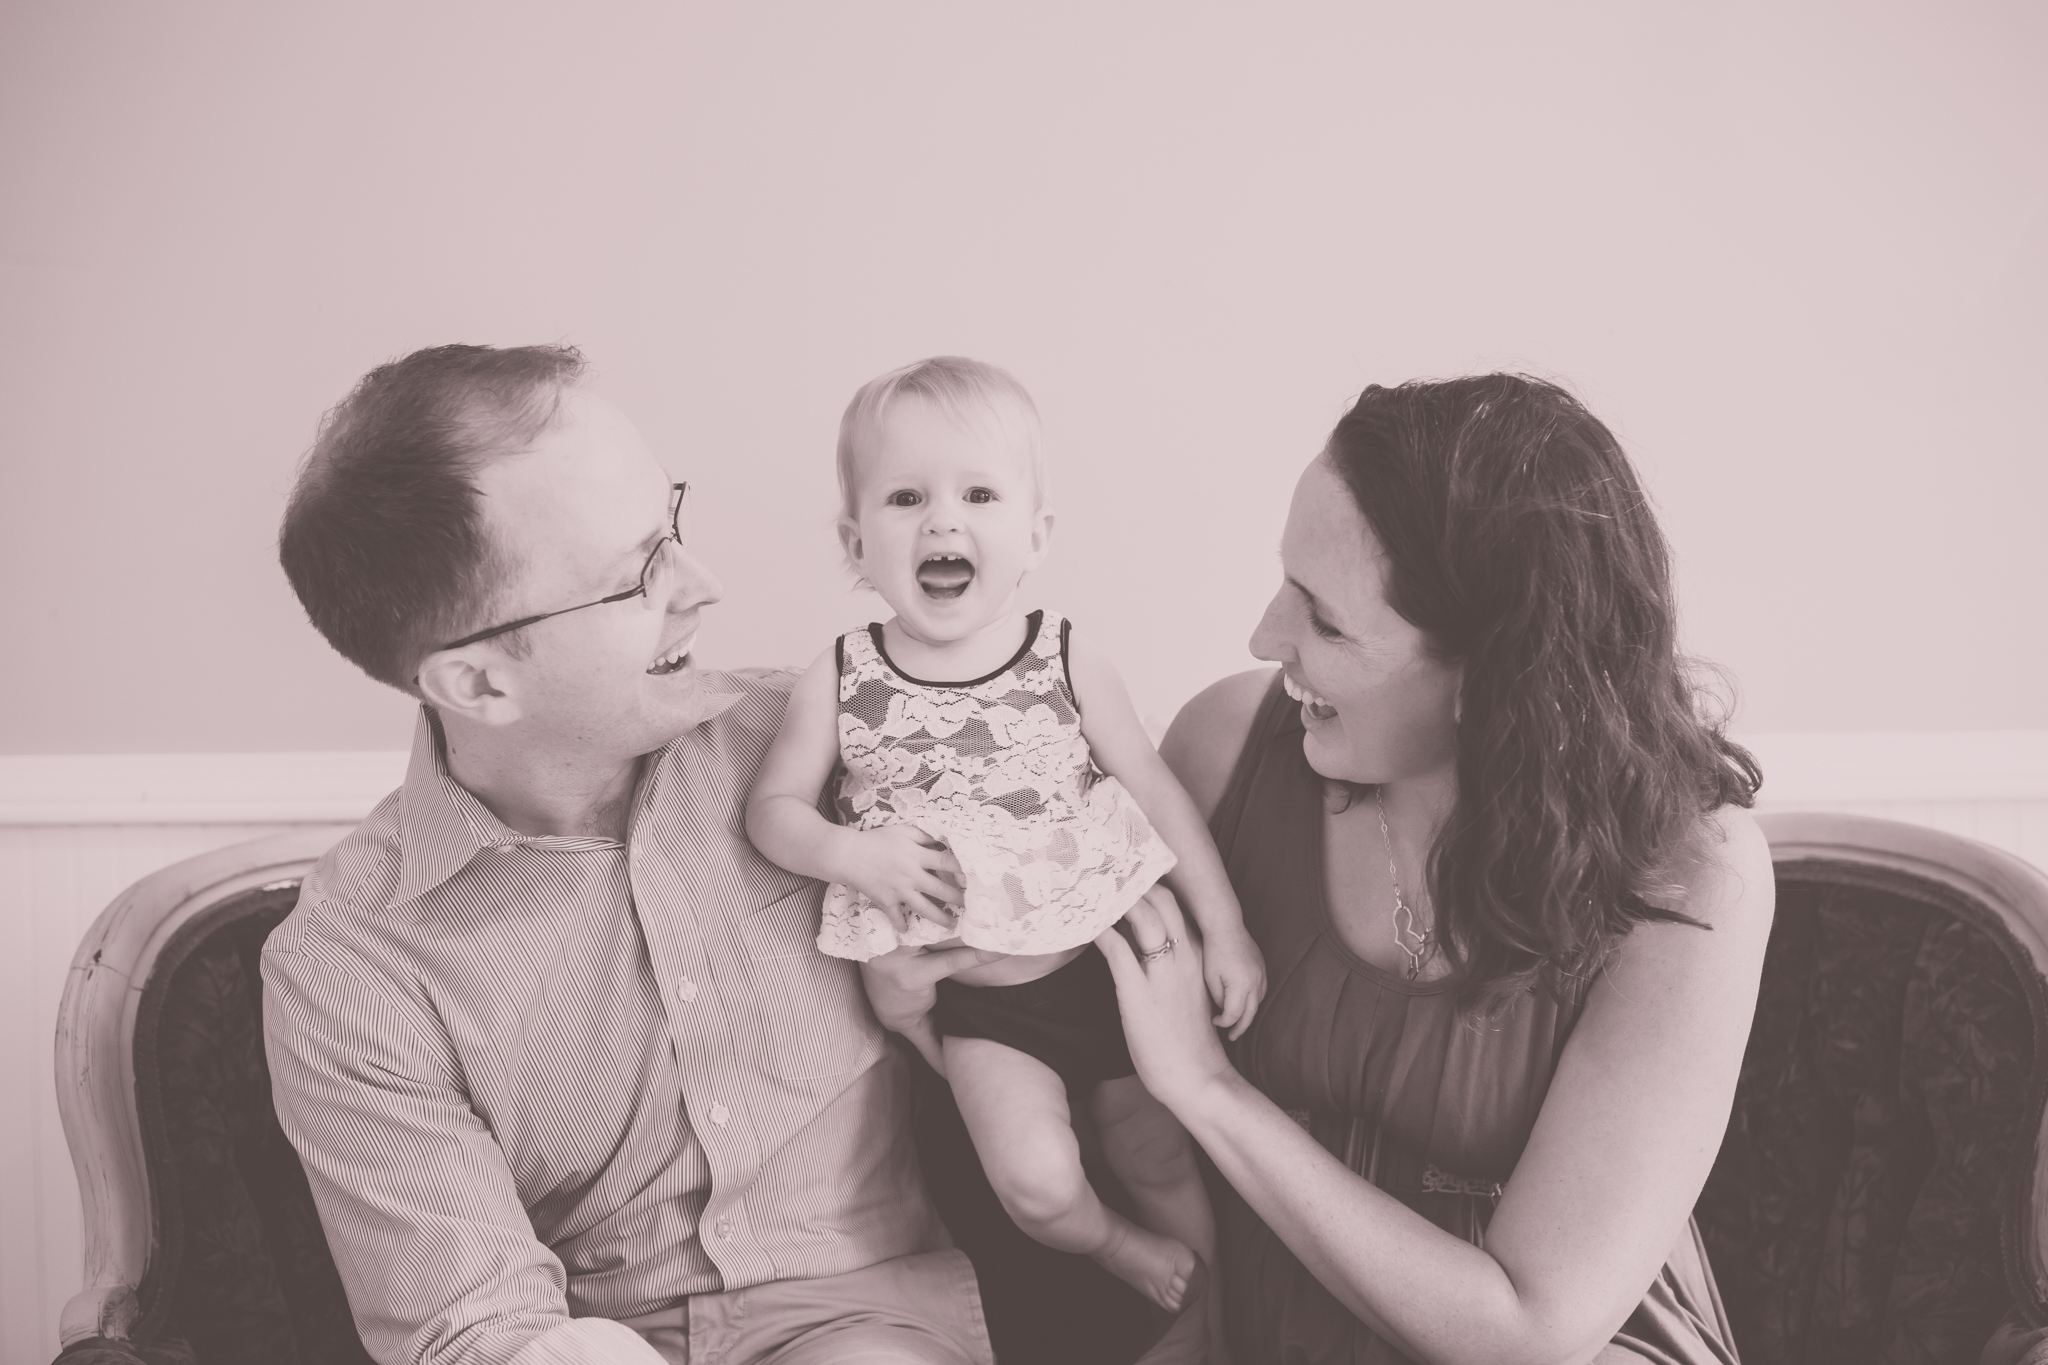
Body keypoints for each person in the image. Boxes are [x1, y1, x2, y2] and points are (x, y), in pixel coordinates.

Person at [879, 373, 1775, 1364]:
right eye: (1282, 586)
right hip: (1272, 1325)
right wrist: (939, 1006)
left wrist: (1211, 1090)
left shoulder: (1692, 875)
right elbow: (1076, 1063)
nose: (1264, 639)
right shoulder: (1225, 752)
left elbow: (1527, 1327)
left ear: (1493, 680)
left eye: (1326, 621)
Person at [265, 343, 996, 1365]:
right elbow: (478, 1325)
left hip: (859, 1325)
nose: (701, 586)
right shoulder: (351, 968)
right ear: (475, 685)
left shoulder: (835, 744)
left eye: (672, 528)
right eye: (634, 576)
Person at [746, 357, 1263, 1339]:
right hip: (982, 1007)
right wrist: (851, 858)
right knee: (1031, 1182)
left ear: (1033, 535)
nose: (942, 522)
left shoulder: (1064, 654)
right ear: (857, 542)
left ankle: (1220, 1327)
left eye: (977, 494)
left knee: (1156, 1150)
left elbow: (1152, 793)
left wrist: (1224, 928)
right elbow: (772, 810)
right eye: (905, 498)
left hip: (1099, 964)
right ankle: (1116, 1245)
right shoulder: (843, 675)